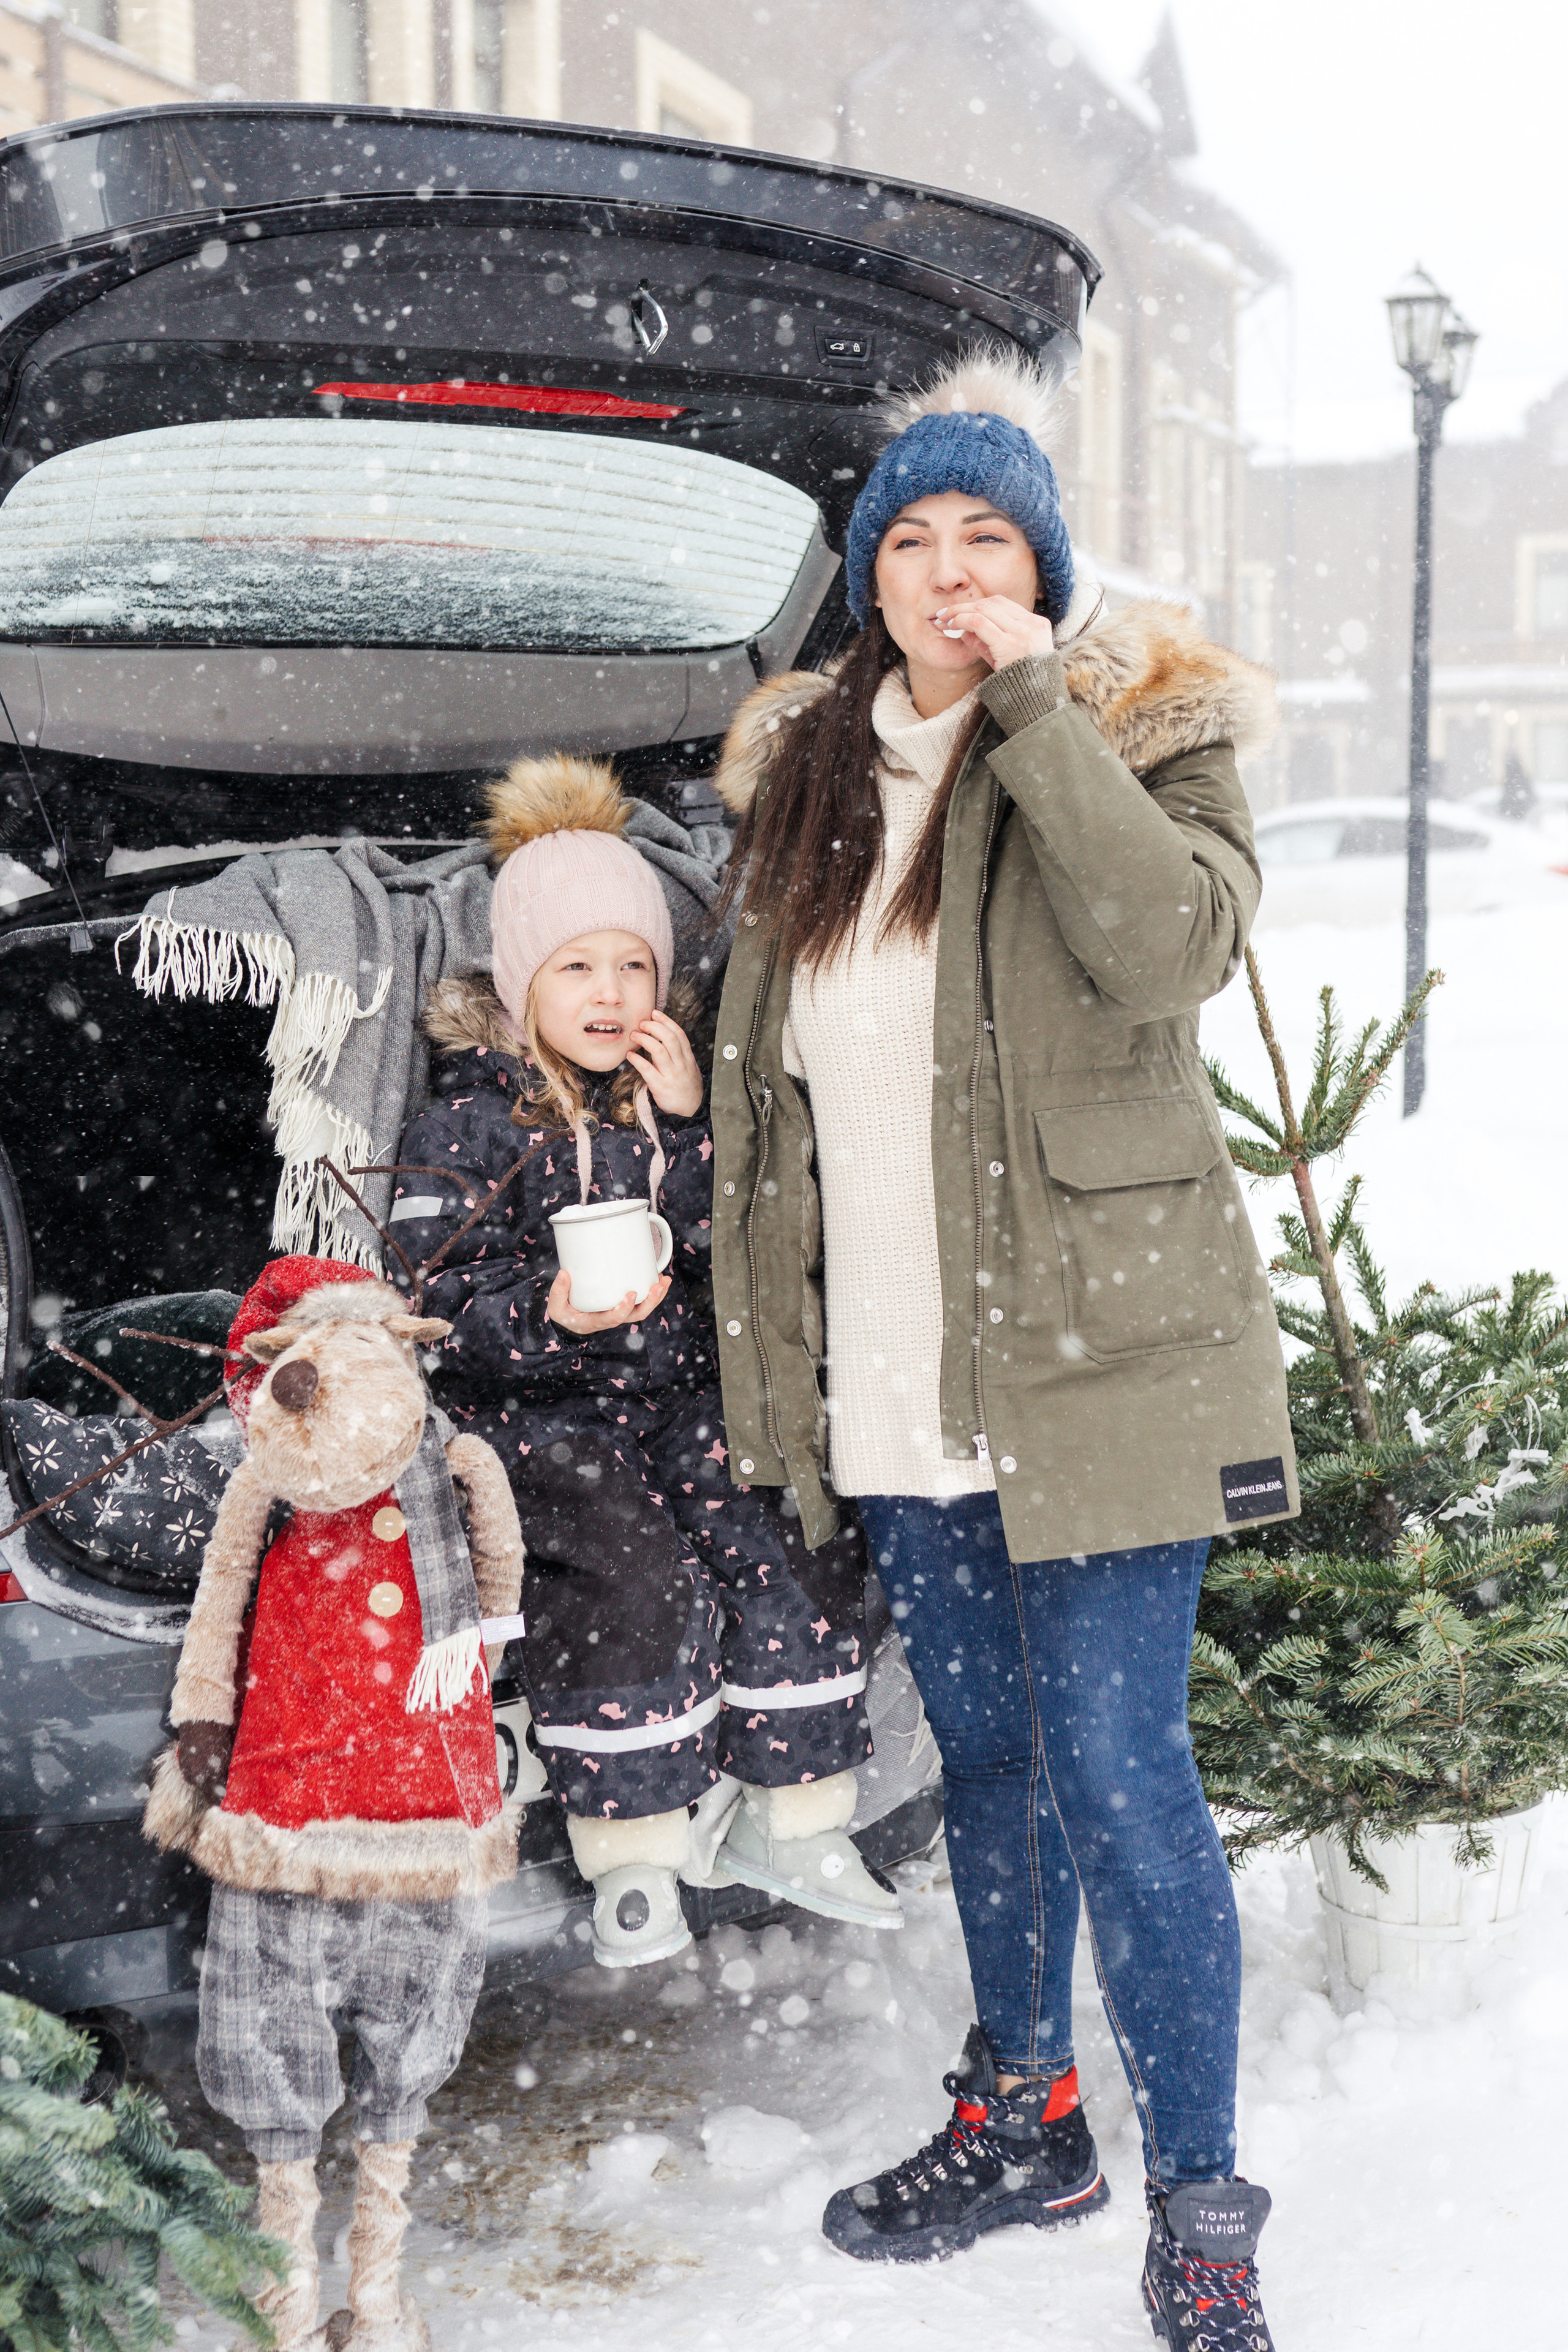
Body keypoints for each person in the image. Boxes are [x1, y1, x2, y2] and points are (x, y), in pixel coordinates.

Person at [706, 348, 1298, 2347]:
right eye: (917, 541)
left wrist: (1038, 706)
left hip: (1111, 1371)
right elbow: (770, 1106)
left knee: (1128, 1782)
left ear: (1040, 563)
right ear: (871, 570)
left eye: (992, 541)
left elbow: (1168, 952)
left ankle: (1203, 2224)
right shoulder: (800, 778)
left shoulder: (1146, 735)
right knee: (989, 1768)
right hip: (898, 1388)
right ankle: (1027, 2113)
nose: (952, 575)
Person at [393, 755, 897, 1970]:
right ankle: (634, 1850)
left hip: (673, 1396)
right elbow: (427, 1300)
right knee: (630, 1574)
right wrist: (543, 1316)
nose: (611, 992)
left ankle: (799, 1814)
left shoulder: (667, 1105)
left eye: (633, 965)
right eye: (577, 967)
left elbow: (750, 1254)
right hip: (533, 1413)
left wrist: (692, 1131)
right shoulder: (466, 1123)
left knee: (785, 1527)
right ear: (521, 984)